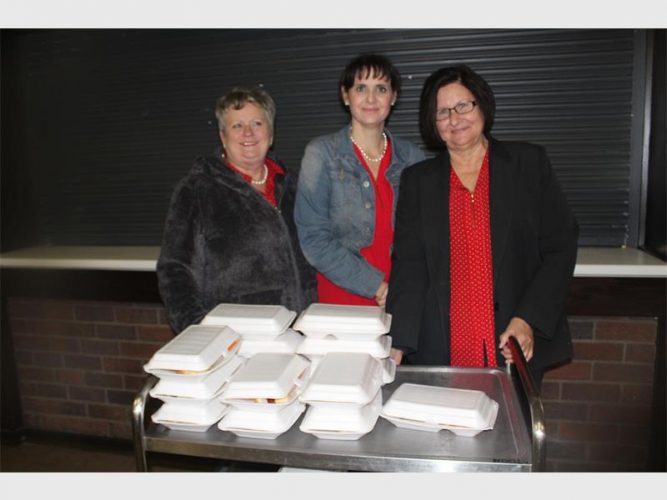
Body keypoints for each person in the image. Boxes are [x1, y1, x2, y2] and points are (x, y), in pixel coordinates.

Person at [386, 64, 578, 386]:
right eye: (443, 112)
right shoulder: (418, 181)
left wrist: (528, 318)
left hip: (514, 340)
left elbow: (561, 246)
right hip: (442, 345)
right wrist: (399, 340)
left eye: (463, 105)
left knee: (513, 419)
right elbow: (409, 265)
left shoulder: (528, 164)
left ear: (482, 106)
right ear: (433, 123)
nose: (454, 118)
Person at [157, 86, 316, 333]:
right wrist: (201, 333)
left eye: (257, 123)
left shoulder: (295, 186)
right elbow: (175, 270)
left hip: (301, 331)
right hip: (237, 336)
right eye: (237, 125)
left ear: (271, 134)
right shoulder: (196, 190)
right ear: (223, 136)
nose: (248, 133)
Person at [294, 53, 425, 311]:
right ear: (346, 96)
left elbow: (424, 236)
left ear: (393, 97)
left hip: (403, 296)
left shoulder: (412, 158)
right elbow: (313, 238)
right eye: (361, 88)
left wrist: (406, 288)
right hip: (342, 301)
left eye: (381, 89)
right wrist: (376, 286)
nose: (371, 98)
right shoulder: (321, 154)